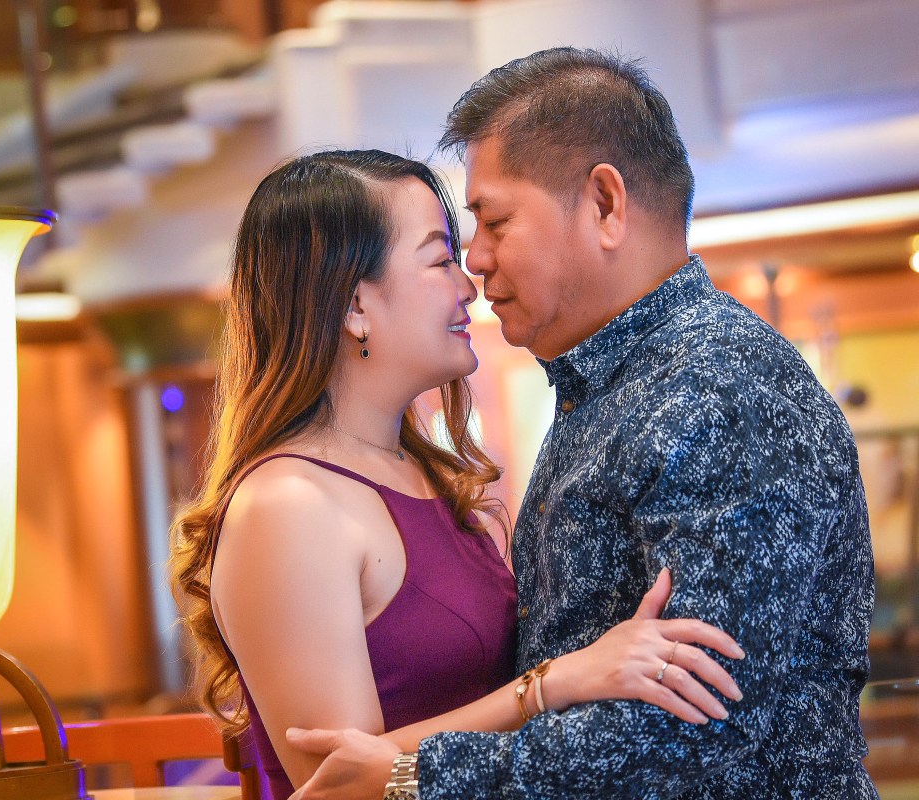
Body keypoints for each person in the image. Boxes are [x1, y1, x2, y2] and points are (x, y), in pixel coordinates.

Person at [286, 48, 876, 799]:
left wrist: (418, 773)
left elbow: (702, 722)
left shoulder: (719, 390)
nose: (476, 261)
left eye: (495, 221)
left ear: (604, 204)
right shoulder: (618, 385)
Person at [169, 148, 745, 800]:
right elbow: (339, 781)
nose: (468, 286)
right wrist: (553, 684)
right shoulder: (287, 504)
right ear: (355, 304)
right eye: (440, 259)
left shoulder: (415, 472)